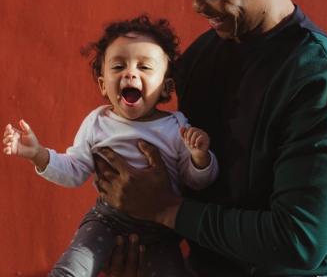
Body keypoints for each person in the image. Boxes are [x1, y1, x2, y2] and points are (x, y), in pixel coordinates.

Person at [95, 0, 327, 276]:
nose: (197, 6)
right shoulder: (200, 58)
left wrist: (167, 209)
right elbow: (188, 181)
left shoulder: (319, 79)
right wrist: (137, 243)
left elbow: (300, 240)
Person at [2, 15, 219, 277]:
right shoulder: (97, 122)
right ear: (104, 85)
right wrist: (39, 155)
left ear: (166, 87)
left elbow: (195, 181)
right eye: (118, 67)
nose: (130, 73)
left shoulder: (176, 126)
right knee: (70, 270)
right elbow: (74, 170)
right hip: (107, 220)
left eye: (144, 67)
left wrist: (200, 158)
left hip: (161, 228)